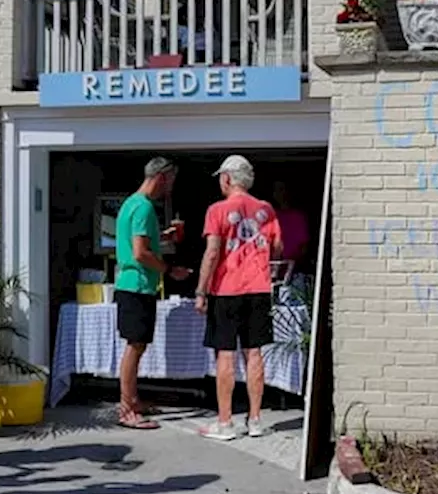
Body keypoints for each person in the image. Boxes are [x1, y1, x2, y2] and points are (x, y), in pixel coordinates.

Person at [194, 155, 282, 442]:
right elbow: (277, 247)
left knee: (225, 354)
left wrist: (201, 290)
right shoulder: (266, 209)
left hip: (227, 289)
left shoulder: (217, 210)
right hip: (258, 288)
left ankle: (225, 422)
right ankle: (255, 420)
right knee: (254, 353)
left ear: (227, 179)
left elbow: (212, 252)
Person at [113, 157, 191, 430]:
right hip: (136, 286)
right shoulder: (144, 207)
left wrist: (164, 237)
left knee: (138, 345)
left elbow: (141, 244)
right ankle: (126, 410)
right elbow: (140, 252)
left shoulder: (131, 204)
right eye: (171, 180)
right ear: (161, 177)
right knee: (134, 347)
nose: (171, 186)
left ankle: (132, 400)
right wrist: (170, 270)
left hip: (133, 285)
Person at [272, 181, 310, 265]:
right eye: (276, 190)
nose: (279, 193)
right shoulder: (272, 216)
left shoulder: (298, 217)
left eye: (281, 189)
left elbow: (304, 246)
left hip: (295, 267)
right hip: (274, 265)